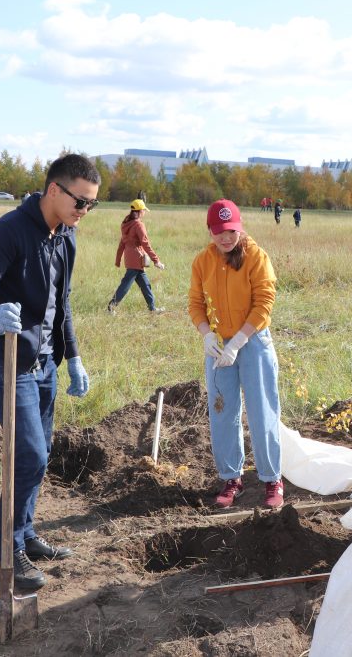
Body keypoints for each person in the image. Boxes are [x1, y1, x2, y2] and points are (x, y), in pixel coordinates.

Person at [0, 154, 100, 592]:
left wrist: (72, 355)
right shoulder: (9, 232)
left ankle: (25, 534)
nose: (85, 211)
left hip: (45, 363)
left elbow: (64, 303)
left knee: (39, 457)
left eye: (92, 205)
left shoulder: (66, 237)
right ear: (54, 190)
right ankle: (9, 550)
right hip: (6, 361)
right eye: (81, 202)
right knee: (31, 456)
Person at [188, 199, 284, 509]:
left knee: (261, 412)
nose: (226, 238)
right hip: (218, 344)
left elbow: (264, 302)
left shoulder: (256, 256)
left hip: (252, 341)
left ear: (239, 228)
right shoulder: (203, 261)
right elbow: (195, 303)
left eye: (231, 231)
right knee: (222, 413)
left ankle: (272, 480)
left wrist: (238, 341)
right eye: (219, 232)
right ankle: (231, 478)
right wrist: (206, 335)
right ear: (210, 231)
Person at [108, 199, 166, 314]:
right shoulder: (139, 225)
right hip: (137, 259)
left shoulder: (125, 224)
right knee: (126, 285)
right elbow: (146, 244)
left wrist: (118, 260)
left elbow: (122, 243)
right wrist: (156, 261)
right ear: (139, 211)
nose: (145, 212)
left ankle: (152, 308)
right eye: (144, 210)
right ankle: (111, 307)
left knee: (145, 285)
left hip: (130, 258)